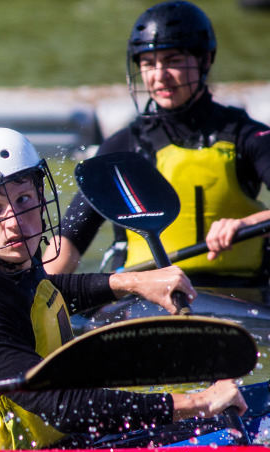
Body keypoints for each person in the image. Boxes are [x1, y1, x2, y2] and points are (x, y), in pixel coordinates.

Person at [0, 127, 246, 451]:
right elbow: (61, 405)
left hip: (53, 435)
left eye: (24, 198)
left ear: (42, 198)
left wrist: (133, 283)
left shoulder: (2, 260)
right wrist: (196, 404)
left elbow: (44, 293)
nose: (14, 220)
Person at [44, 1, 270, 284]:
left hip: (242, 296)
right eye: (149, 64)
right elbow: (69, 242)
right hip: (145, 299)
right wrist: (34, 295)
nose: (159, 76)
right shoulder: (123, 146)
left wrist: (248, 223)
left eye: (173, 61)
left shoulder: (248, 136)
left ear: (205, 60)